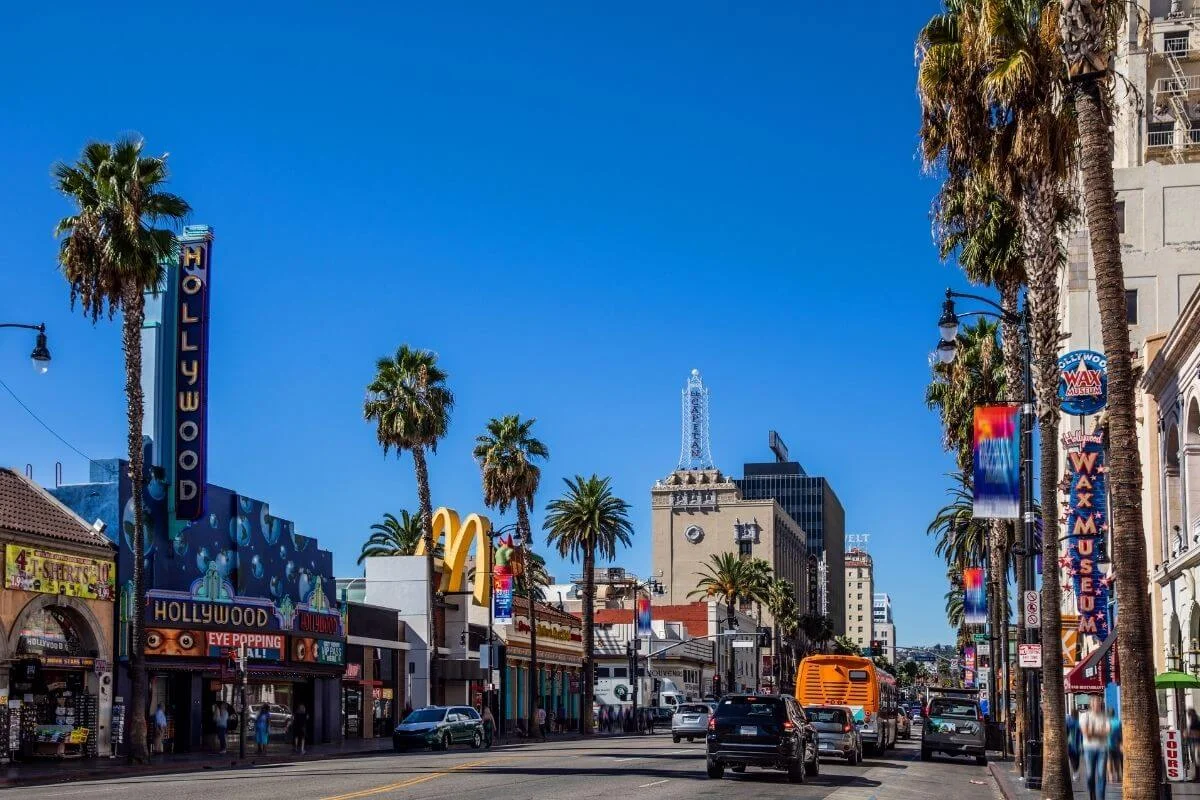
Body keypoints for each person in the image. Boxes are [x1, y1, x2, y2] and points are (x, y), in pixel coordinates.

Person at [1080, 698, 1111, 800]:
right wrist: (1100, 732)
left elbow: (1107, 731)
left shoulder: (1105, 716)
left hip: (1102, 748)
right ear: (1090, 705)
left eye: (1098, 703)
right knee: (1090, 775)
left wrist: (1092, 731)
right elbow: (1085, 733)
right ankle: (1092, 796)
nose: (1097, 705)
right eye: (1094, 703)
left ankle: (1101, 798)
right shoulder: (1084, 716)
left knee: (1101, 775)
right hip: (1089, 748)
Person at [1107, 707, 1123, 784]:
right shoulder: (1118, 722)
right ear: (1114, 713)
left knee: (1109, 760)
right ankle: (1118, 775)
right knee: (1116, 759)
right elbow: (1121, 734)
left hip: (1107, 744)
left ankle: (1110, 776)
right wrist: (1121, 743)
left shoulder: (1106, 722)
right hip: (1116, 744)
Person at [1067, 706, 1082, 780]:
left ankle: (1075, 772)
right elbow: (1081, 735)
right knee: (1077, 759)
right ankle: (1076, 772)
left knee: (1072, 759)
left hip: (1070, 743)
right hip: (1078, 744)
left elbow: (1066, 732)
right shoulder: (1079, 723)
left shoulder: (1069, 722)